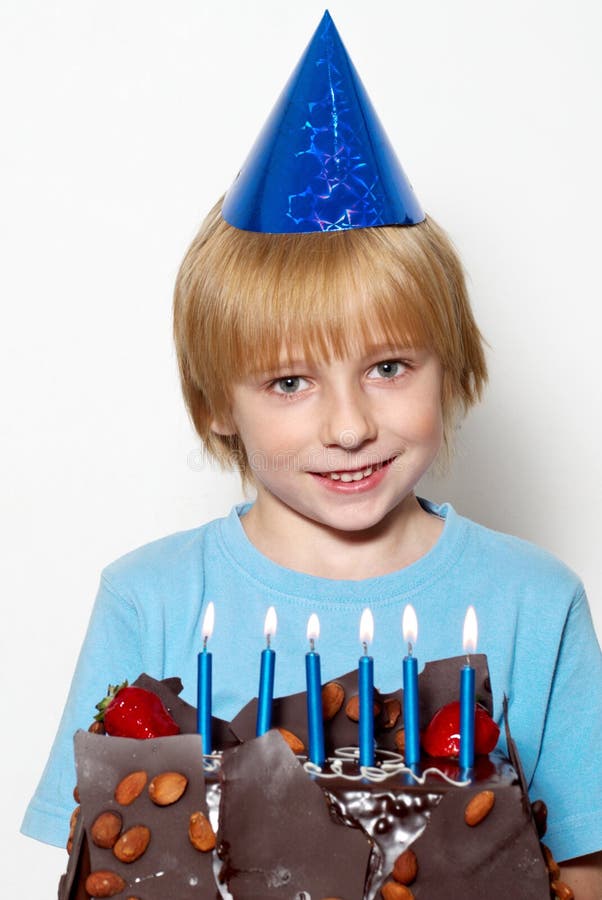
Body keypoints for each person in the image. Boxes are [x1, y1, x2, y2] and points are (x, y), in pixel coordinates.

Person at [22, 11, 601, 897]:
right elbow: (95, 860)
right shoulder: (148, 600)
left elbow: (579, 872)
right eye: (289, 382)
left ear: (452, 365)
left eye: (388, 366)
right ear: (218, 402)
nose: (348, 425)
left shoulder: (533, 604)